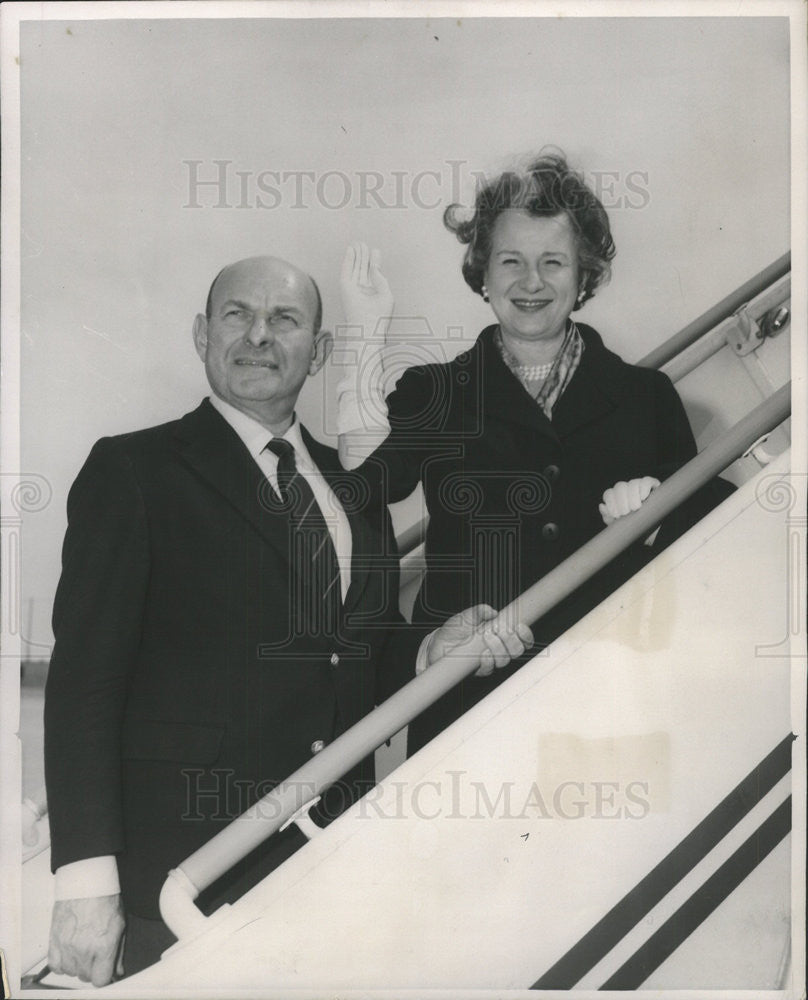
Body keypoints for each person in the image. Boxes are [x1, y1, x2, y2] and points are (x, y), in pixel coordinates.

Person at [44, 255, 532, 986]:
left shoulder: (350, 485)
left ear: (319, 350)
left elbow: (359, 651)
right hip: (183, 869)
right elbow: (83, 684)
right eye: (237, 315)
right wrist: (84, 885)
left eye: (285, 319)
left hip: (333, 860)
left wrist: (432, 646)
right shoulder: (134, 471)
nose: (258, 336)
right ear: (202, 335)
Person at [337, 153, 732, 756]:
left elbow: (715, 533)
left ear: (582, 276)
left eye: (553, 262)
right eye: (510, 262)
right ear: (483, 274)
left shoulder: (645, 398)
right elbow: (364, 484)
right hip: (470, 710)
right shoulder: (436, 392)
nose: (531, 282)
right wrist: (365, 338)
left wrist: (658, 516)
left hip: (612, 711)